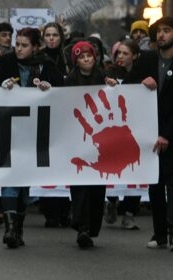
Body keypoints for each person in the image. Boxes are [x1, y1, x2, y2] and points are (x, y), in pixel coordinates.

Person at [124, 16, 173, 252]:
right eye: (159, 31)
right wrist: (140, 81)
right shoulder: (146, 60)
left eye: (166, 31)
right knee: (155, 185)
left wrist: (167, 134)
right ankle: (159, 234)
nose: (161, 35)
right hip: (147, 133)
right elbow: (127, 86)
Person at [0, 27, 61, 248]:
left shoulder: (47, 66)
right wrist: (1, 88)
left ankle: (17, 228)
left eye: (24, 45)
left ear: (36, 47)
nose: (18, 48)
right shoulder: (3, 64)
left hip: (34, 133)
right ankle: (10, 228)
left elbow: (62, 93)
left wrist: (50, 89)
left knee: (24, 183)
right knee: (10, 177)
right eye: (17, 44)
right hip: (8, 129)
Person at [64, 40, 107, 248]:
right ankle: (81, 226)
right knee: (80, 184)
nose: (86, 59)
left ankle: (91, 227)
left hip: (99, 140)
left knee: (97, 185)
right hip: (78, 139)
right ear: (76, 61)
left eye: (89, 56)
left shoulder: (103, 77)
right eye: (82, 57)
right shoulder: (70, 81)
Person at [103, 40, 142, 231]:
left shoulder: (142, 74)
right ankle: (111, 200)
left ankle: (129, 213)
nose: (120, 57)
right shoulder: (109, 73)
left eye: (125, 54)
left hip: (135, 129)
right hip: (113, 128)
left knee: (135, 168)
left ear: (134, 56)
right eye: (118, 53)